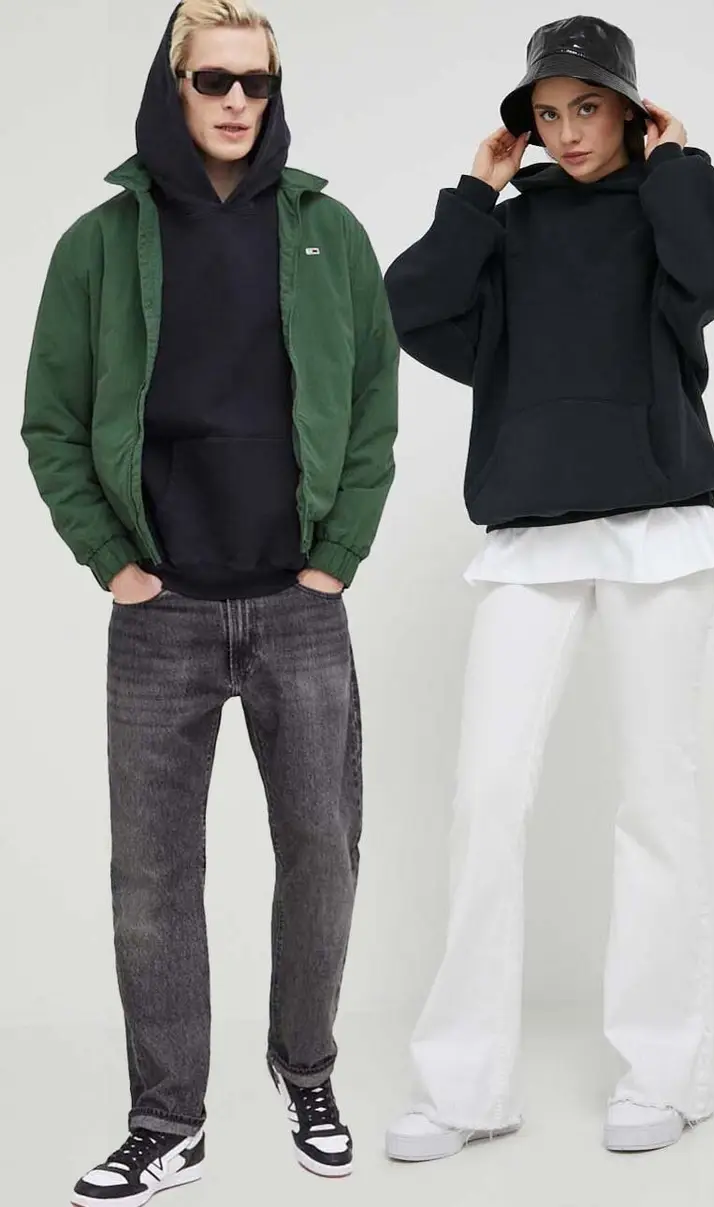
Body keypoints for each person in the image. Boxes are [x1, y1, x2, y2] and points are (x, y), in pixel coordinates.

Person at [22, 0, 398, 1197]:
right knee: (152, 882)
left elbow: (374, 407)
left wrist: (337, 554)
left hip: (298, 604)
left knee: (322, 854)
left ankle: (306, 1067)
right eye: (215, 80)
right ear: (172, 88)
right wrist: (109, 561)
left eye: (256, 83)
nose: (238, 101)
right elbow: (51, 422)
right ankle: (166, 1120)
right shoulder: (99, 244)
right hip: (161, 615)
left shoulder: (328, 234)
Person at [383, 14, 714, 1163]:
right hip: (530, 536)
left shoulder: (663, 209)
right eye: (546, 115)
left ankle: (667, 1072)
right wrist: (472, 187)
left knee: (653, 802)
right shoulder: (507, 229)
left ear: (629, 112)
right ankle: (464, 1086)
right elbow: (412, 307)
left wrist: (677, 163)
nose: (565, 132)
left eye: (586, 108)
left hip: (655, 529)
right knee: (485, 798)